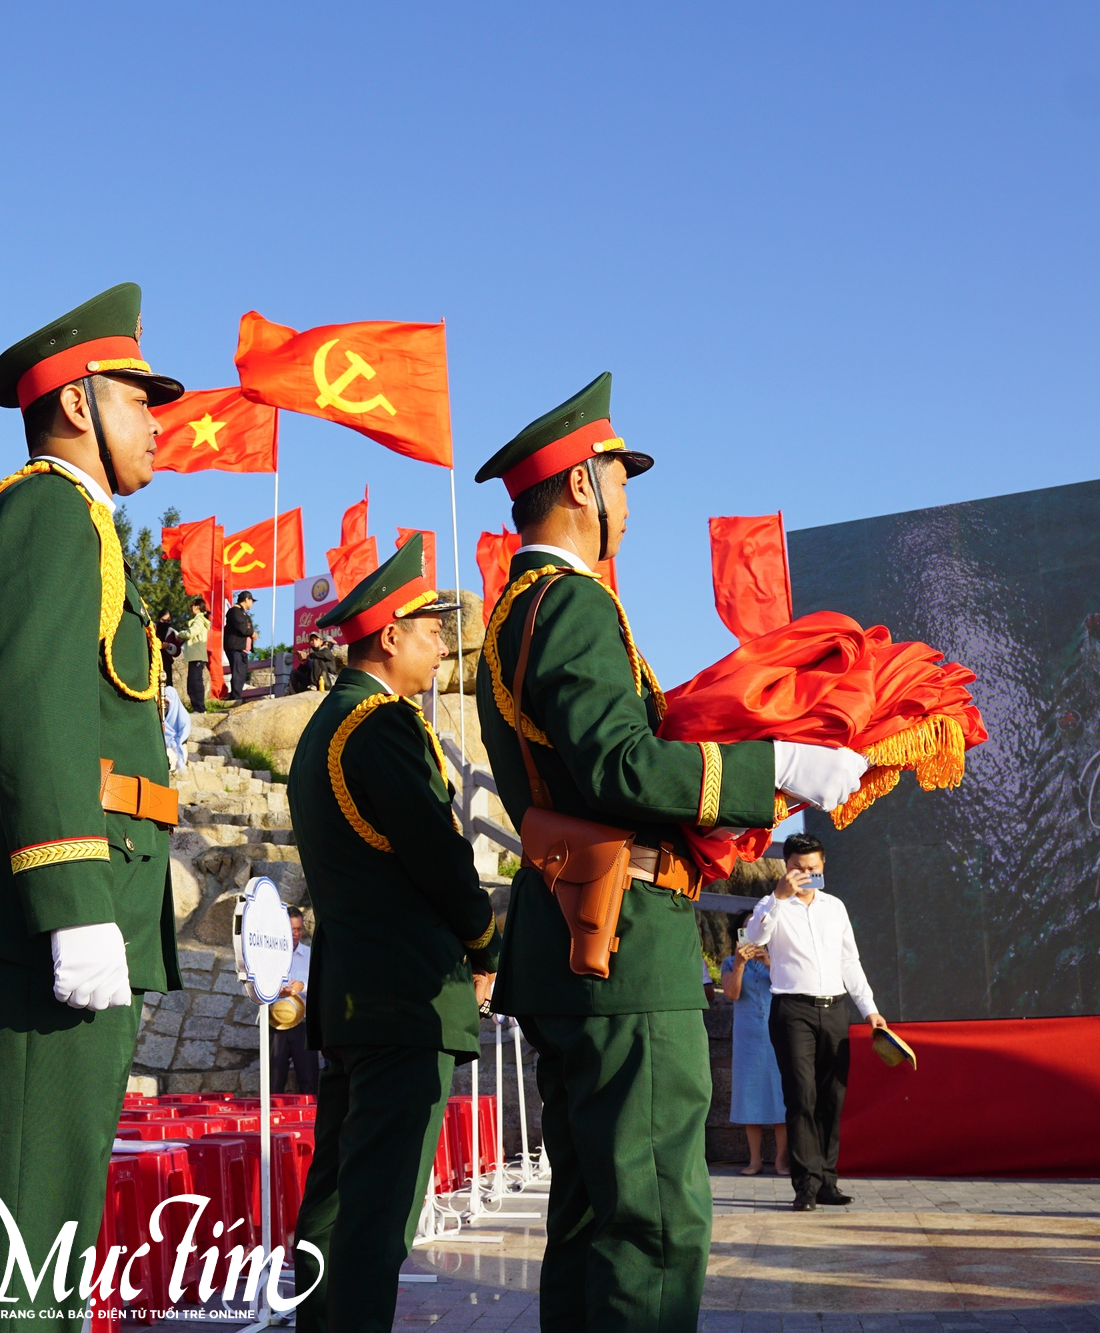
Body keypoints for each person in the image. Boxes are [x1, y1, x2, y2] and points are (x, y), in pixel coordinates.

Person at [474, 373, 868, 1330]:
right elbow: (618, 763)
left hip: (569, 938)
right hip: (622, 943)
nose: (626, 496)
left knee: (592, 1220)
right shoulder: (570, 605)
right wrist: (770, 766)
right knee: (651, 1222)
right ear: (580, 486)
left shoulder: (512, 611)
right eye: (619, 475)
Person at [0, 283, 184, 1332]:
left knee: (56, 1233)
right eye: (138, 397)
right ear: (77, 403)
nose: (158, 419)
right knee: (24, 1240)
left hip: (87, 890)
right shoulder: (46, 509)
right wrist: (73, 899)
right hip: (49, 912)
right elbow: (32, 710)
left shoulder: (84, 524)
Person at [289, 534, 499, 1333]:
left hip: (354, 998)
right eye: (430, 627)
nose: (443, 642)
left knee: (337, 1204)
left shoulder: (328, 727)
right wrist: (485, 944)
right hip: (405, 997)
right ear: (390, 637)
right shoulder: (382, 726)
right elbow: (440, 859)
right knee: (377, 1221)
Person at [742, 832, 887, 1211]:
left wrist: (869, 1009)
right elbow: (754, 936)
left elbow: (848, 961)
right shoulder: (771, 905)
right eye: (798, 868)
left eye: (813, 868)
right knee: (801, 1097)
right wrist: (777, 897)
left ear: (823, 867)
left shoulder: (834, 907)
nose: (806, 874)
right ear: (786, 867)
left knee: (831, 1097)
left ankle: (827, 1182)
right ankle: (804, 1186)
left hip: (835, 1008)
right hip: (793, 1010)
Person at [719, 932, 788, 1177]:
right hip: (747, 1037)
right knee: (750, 1095)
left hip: (777, 1032)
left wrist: (770, 962)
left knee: (781, 1094)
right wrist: (739, 963)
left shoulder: (780, 959)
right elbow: (732, 994)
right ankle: (754, 1159)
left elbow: (790, 988)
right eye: (745, 931)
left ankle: (781, 1160)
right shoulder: (729, 963)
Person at [267, 905, 318, 1095]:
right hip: (276, 1025)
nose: (296, 934)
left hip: (303, 1025)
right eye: (292, 930)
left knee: (309, 1079)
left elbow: (323, 984)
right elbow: (248, 987)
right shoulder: (268, 955)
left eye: (299, 929)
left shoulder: (310, 955)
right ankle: (272, 1120)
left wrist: (303, 986)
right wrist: (272, 990)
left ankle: (310, 1122)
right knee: (273, 1080)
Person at [225, 591, 256, 698]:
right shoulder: (234, 612)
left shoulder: (243, 614)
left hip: (243, 648)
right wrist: (252, 633)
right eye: (252, 601)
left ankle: (237, 695)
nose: (252, 604)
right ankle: (235, 697)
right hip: (235, 647)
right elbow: (242, 628)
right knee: (237, 672)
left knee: (241, 674)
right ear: (247, 599)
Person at [183, 596, 211, 711]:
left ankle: (199, 708)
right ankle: (198, 707)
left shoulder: (199, 620)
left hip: (197, 656)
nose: (190, 608)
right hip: (195, 656)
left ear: (198, 607)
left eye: (192, 606)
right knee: (193, 681)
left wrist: (180, 635)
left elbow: (192, 632)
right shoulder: (199, 620)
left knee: (195, 682)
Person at [161, 683, 190, 772]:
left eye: (167, 702)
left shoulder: (183, 717)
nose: (165, 705)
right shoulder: (160, 715)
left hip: (178, 748)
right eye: (163, 702)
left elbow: (181, 741)